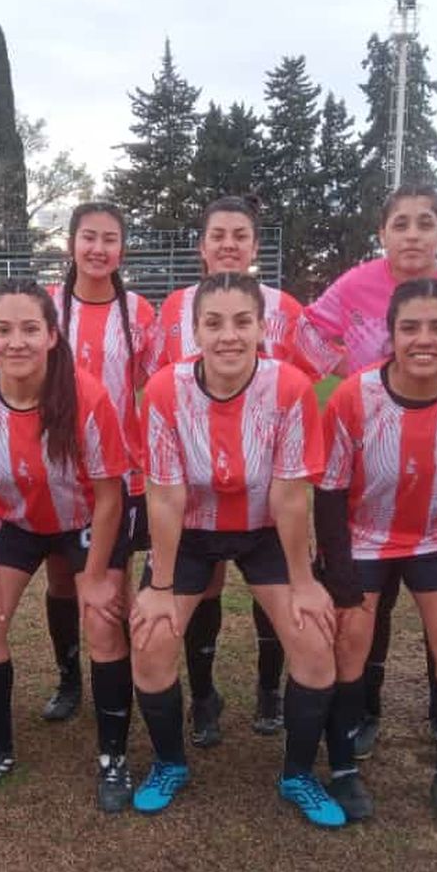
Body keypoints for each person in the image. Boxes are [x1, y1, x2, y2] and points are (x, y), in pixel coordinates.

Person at [305, 185, 437, 761]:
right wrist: (330, 374)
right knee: (357, 629)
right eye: (399, 223)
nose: (411, 234)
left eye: (424, 223)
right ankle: (359, 722)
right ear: (382, 233)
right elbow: (308, 332)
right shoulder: (357, 291)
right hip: (371, 476)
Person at [131, 272, 340, 828]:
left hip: (264, 527)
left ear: (261, 328)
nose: (228, 335)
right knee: (151, 643)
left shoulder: (291, 389)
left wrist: (303, 582)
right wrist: (158, 587)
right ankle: (170, 764)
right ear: (194, 331)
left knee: (315, 644)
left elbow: (291, 495)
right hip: (192, 530)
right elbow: (168, 497)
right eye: (214, 322)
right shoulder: (162, 391)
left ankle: (298, 773)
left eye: (241, 321)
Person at [0, 279, 136, 809]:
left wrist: (94, 576)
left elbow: (110, 495)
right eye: (3, 330)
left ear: (52, 335)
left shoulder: (87, 394)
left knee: (101, 619)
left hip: (86, 519)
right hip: (18, 521)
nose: (16, 341)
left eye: (30, 329)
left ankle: (114, 757)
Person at [152, 195, 343, 739]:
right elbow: (163, 380)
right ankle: (204, 695)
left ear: (255, 246)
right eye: (219, 235)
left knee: (276, 592)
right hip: (198, 484)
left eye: (241, 235)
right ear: (203, 246)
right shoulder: (173, 309)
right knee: (202, 590)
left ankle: (269, 690)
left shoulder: (283, 307)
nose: (229, 244)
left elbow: (320, 370)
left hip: (267, 479)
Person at [40, 202, 158, 726]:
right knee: (63, 580)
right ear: (71, 244)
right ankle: (69, 679)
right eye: (88, 237)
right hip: (55, 468)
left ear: (121, 250)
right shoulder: (46, 306)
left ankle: (121, 671)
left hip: (119, 471)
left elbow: (155, 389)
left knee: (113, 584)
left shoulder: (139, 312)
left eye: (109, 239)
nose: (98, 248)